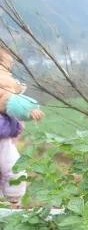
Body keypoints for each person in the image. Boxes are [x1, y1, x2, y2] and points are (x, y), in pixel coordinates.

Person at [0, 47, 44, 207]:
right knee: (12, 168)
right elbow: (9, 102)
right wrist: (29, 110)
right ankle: (13, 200)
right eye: (7, 64)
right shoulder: (4, 82)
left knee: (10, 168)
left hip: (5, 136)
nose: (9, 69)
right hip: (3, 138)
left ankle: (11, 201)